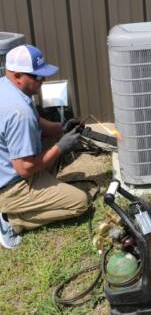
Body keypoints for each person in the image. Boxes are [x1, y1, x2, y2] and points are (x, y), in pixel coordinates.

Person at [0, 45, 88, 249]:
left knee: (47, 143)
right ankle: (11, 220)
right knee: (80, 202)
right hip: (11, 186)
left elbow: (36, 121)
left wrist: (61, 129)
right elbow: (24, 169)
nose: (43, 81)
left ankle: (37, 193)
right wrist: (60, 147)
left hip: (5, 167)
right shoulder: (17, 112)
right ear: (18, 75)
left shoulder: (7, 87)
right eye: (38, 77)